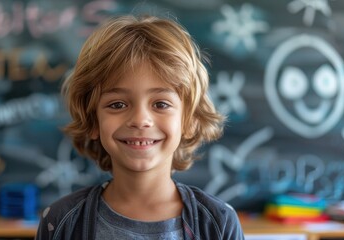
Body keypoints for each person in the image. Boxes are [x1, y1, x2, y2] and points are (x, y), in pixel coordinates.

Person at [36, 14, 245, 240]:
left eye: (161, 104)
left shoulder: (218, 223)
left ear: (189, 120)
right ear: (93, 120)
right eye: (117, 104)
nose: (140, 119)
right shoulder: (61, 222)